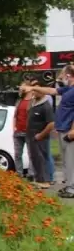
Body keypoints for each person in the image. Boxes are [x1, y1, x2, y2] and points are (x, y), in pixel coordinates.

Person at [25, 64, 74, 197]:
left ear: (69, 75)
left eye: (62, 75)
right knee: (66, 161)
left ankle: (72, 188)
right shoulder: (68, 89)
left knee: (71, 161)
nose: (61, 77)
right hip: (63, 129)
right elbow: (51, 91)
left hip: (69, 130)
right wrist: (33, 87)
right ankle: (68, 185)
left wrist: (73, 130)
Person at [26, 86, 55, 189]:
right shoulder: (33, 103)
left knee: (41, 158)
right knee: (35, 159)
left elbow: (51, 124)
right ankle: (39, 180)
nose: (35, 92)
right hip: (31, 136)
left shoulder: (45, 106)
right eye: (34, 90)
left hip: (40, 137)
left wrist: (41, 135)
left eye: (37, 90)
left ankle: (45, 180)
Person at [13, 80, 30, 178]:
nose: (20, 89)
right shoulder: (19, 101)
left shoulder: (32, 101)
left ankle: (31, 174)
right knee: (17, 154)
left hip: (28, 132)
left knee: (31, 154)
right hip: (18, 131)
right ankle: (19, 174)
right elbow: (15, 115)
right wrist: (14, 128)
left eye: (22, 88)